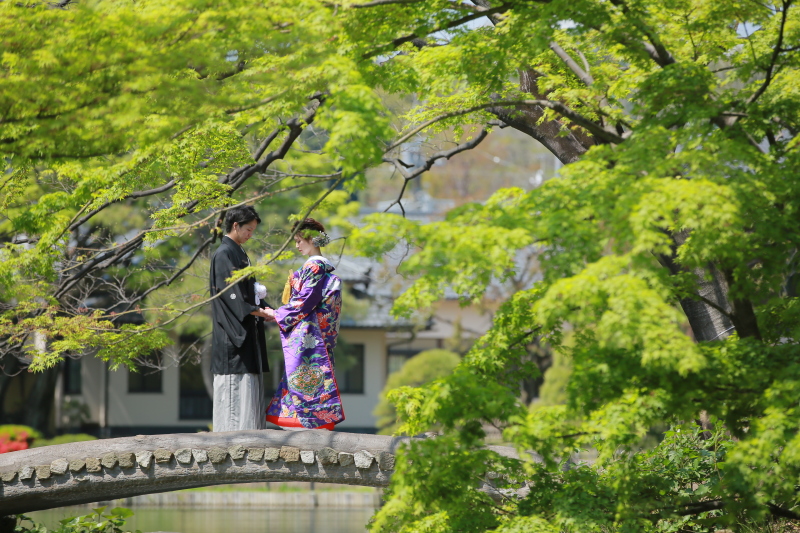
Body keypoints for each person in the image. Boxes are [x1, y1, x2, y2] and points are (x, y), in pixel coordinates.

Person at [263, 218, 345, 430]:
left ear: (312, 239)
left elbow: (305, 300)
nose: (297, 245)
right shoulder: (319, 266)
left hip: (310, 332)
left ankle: (308, 419)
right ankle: (309, 418)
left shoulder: (316, 266)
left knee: (304, 371)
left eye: (300, 240)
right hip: (316, 330)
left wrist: (277, 314)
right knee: (307, 374)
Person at [209, 205, 272, 432]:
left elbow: (250, 292)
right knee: (234, 402)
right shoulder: (224, 254)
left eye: (253, 230)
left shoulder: (240, 253)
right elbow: (232, 297)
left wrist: (267, 309)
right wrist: (260, 311)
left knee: (250, 398)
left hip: (247, 332)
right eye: (248, 229)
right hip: (232, 336)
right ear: (235, 225)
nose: (250, 234)